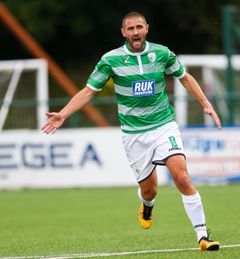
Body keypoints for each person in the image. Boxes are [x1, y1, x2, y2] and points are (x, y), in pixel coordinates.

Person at [42, 11, 222, 251]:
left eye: (139, 27)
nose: (135, 32)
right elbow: (88, 91)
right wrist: (63, 114)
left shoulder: (162, 53)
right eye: (130, 29)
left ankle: (202, 236)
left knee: (181, 176)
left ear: (146, 28)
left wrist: (205, 103)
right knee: (149, 190)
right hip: (134, 135)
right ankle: (147, 204)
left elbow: (185, 78)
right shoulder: (111, 60)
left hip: (163, 126)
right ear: (123, 32)